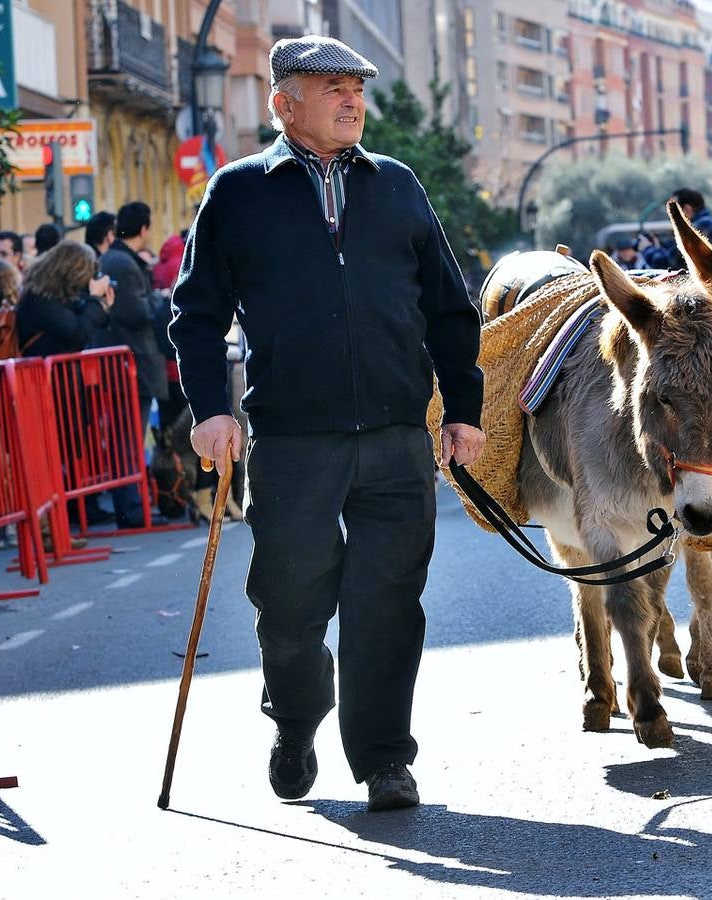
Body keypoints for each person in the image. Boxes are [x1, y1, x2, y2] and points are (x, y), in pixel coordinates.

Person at [170, 35, 486, 812]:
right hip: (292, 443)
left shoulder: (397, 185)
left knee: (386, 606)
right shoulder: (238, 192)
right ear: (285, 103)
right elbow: (196, 315)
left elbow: (448, 308)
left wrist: (464, 411)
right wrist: (210, 410)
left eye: (356, 86)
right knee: (289, 609)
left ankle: (383, 759)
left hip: (392, 441)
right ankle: (296, 720)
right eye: (332, 87)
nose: (352, 100)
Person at [99, 201, 169, 528]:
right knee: (128, 439)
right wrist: (161, 300)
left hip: (129, 362)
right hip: (133, 362)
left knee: (127, 438)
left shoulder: (118, 259)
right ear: (144, 229)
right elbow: (137, 312)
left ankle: (130, 505)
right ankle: (131, 509)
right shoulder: (122, 264)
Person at [16, 240, 115, 358]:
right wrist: (95, 299)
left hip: (56, 372)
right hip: (45, 373)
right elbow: (77, 334)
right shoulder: (41, 298)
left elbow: (80, 322)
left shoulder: (55, 295)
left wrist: (101, 305)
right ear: (72, 274)